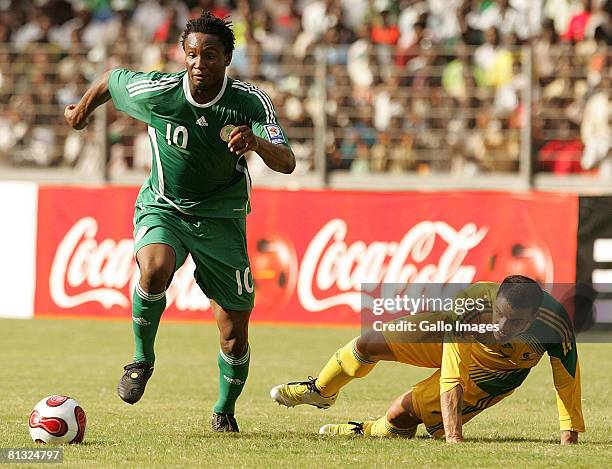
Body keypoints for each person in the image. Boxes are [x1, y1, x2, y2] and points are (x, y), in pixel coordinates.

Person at [65, 11, 295, 433]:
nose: (199, 63)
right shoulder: (160, 91)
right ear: (182, 55)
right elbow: (112, 79)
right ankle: (141, 359)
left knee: (233, 333)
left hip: (221, 219)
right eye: (192, 54)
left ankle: (224, 411)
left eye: (210, 55)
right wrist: (80, 112)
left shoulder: (249, 101)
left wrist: (256, 142)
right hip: (164, 205)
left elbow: (287, 162)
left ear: (227, 59)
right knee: (153, 268)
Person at [271, 276, 584, 444]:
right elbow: (452, 371)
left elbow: (567, 381)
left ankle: (368, 430)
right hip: (452, 333)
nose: (501, 327)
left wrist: (568, 439)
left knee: (401, 414)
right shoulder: (473, 302)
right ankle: (321, 391)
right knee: (369, 342)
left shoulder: (554, 323)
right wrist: (453, 436)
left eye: (514, 323)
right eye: (499, 315)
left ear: (535, 316)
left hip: (493, 372)